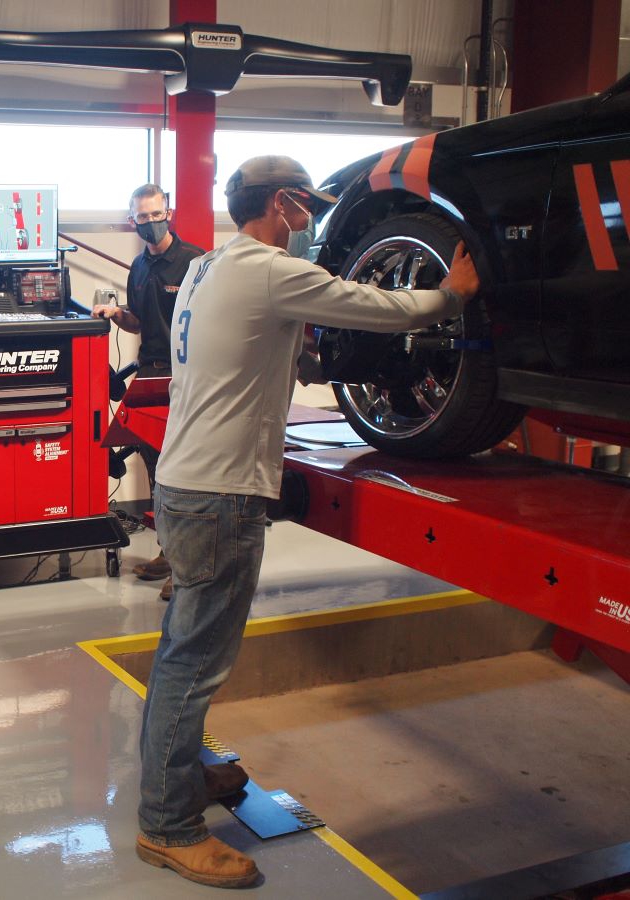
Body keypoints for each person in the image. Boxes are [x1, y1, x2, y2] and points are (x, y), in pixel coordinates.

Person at [135, 156, 480, 888]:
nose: (308, 224)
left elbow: (264, 352)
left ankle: (185, 774)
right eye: (304, 210)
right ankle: (167, 826)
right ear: (283, 204)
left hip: (182, 482)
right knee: (193, 663)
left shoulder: (205, 268)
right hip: (221, 493)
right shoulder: (270, 269)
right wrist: (450, 295)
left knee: (182, 648)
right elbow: (375, 307)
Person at [92, 184, 205, 599]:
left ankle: (187, 569)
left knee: (185, 476)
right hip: (151, 376)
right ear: (132, 220)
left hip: (187, 379)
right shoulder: (138, 267)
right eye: (142, 217)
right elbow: (140, 322)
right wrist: (117, 314)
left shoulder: (195, 262)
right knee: (157, 472)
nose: (151, 223)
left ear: (169, 212)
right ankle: (168, 553)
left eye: (157, 215)